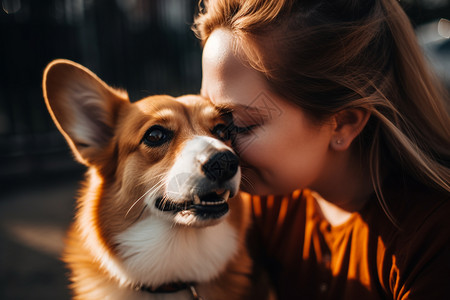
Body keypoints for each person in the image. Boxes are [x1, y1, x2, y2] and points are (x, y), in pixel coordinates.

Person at [193, 0, 450, 299]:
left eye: (237, 125)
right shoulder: (261, 207)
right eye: (212, 119)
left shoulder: (431, 242)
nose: (212, 149)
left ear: (343, 123)